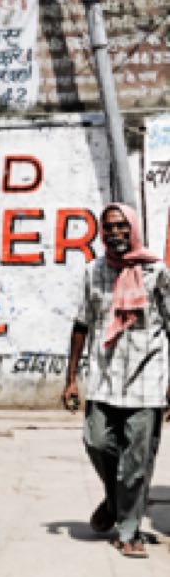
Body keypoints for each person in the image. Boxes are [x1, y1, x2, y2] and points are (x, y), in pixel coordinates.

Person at [63, 203, 170, 558]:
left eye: (122, 227)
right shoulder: (95, 271)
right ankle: (114, 500)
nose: (115, 233)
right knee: (95, 441)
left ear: (134, 229)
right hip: (106, 378)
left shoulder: (156, 271)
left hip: (148, 378)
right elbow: (82, 323)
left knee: (136, 461)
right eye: (108, 227)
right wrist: (71, 380)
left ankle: (129, 530)